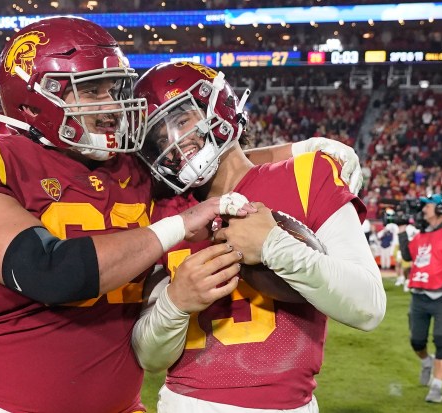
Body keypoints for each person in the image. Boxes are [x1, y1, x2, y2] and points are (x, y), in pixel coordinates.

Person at [0, 16, 246, 413]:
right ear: (36, 97)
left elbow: (216, 168)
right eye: (91, 90)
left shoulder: (128, 165)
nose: (112, 106)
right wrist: (179, 225)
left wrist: (299, 154)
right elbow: (47, 271)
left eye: (114, 89)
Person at [130, 62, 386, 412]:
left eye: (180, 121)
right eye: (159, 137)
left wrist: (273, 247)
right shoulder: (165, 212)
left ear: (216, 105)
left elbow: (368, 306)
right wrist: (175, 304)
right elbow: (151, 358)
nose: (173, 145)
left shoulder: (308, 174)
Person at [398, 192, 442, 404]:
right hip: (419, 296)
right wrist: (401, 229)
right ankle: (426, 361)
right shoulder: (420, 234)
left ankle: (436, 387)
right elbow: (407, 256)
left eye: (427, 206)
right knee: (416, 340)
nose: (423, 209)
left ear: (440, 209)